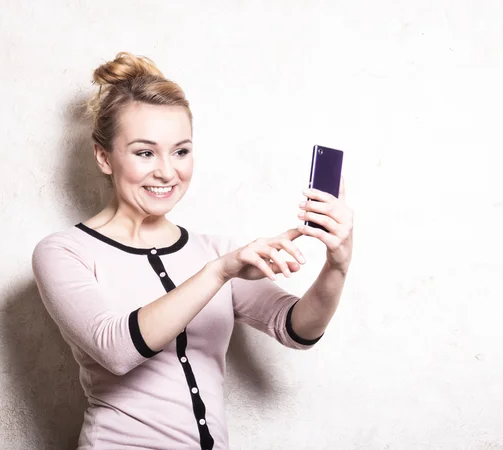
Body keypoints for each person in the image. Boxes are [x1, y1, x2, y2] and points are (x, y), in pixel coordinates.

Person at [32, 52, 354, 450]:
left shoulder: (213, 250)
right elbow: (116, 349)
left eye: (181, 151)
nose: (167, 171)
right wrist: (218, 272)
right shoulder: (64, 252)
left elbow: (297, 329)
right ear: (104, 157)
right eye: (144, 152)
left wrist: (337, 265)